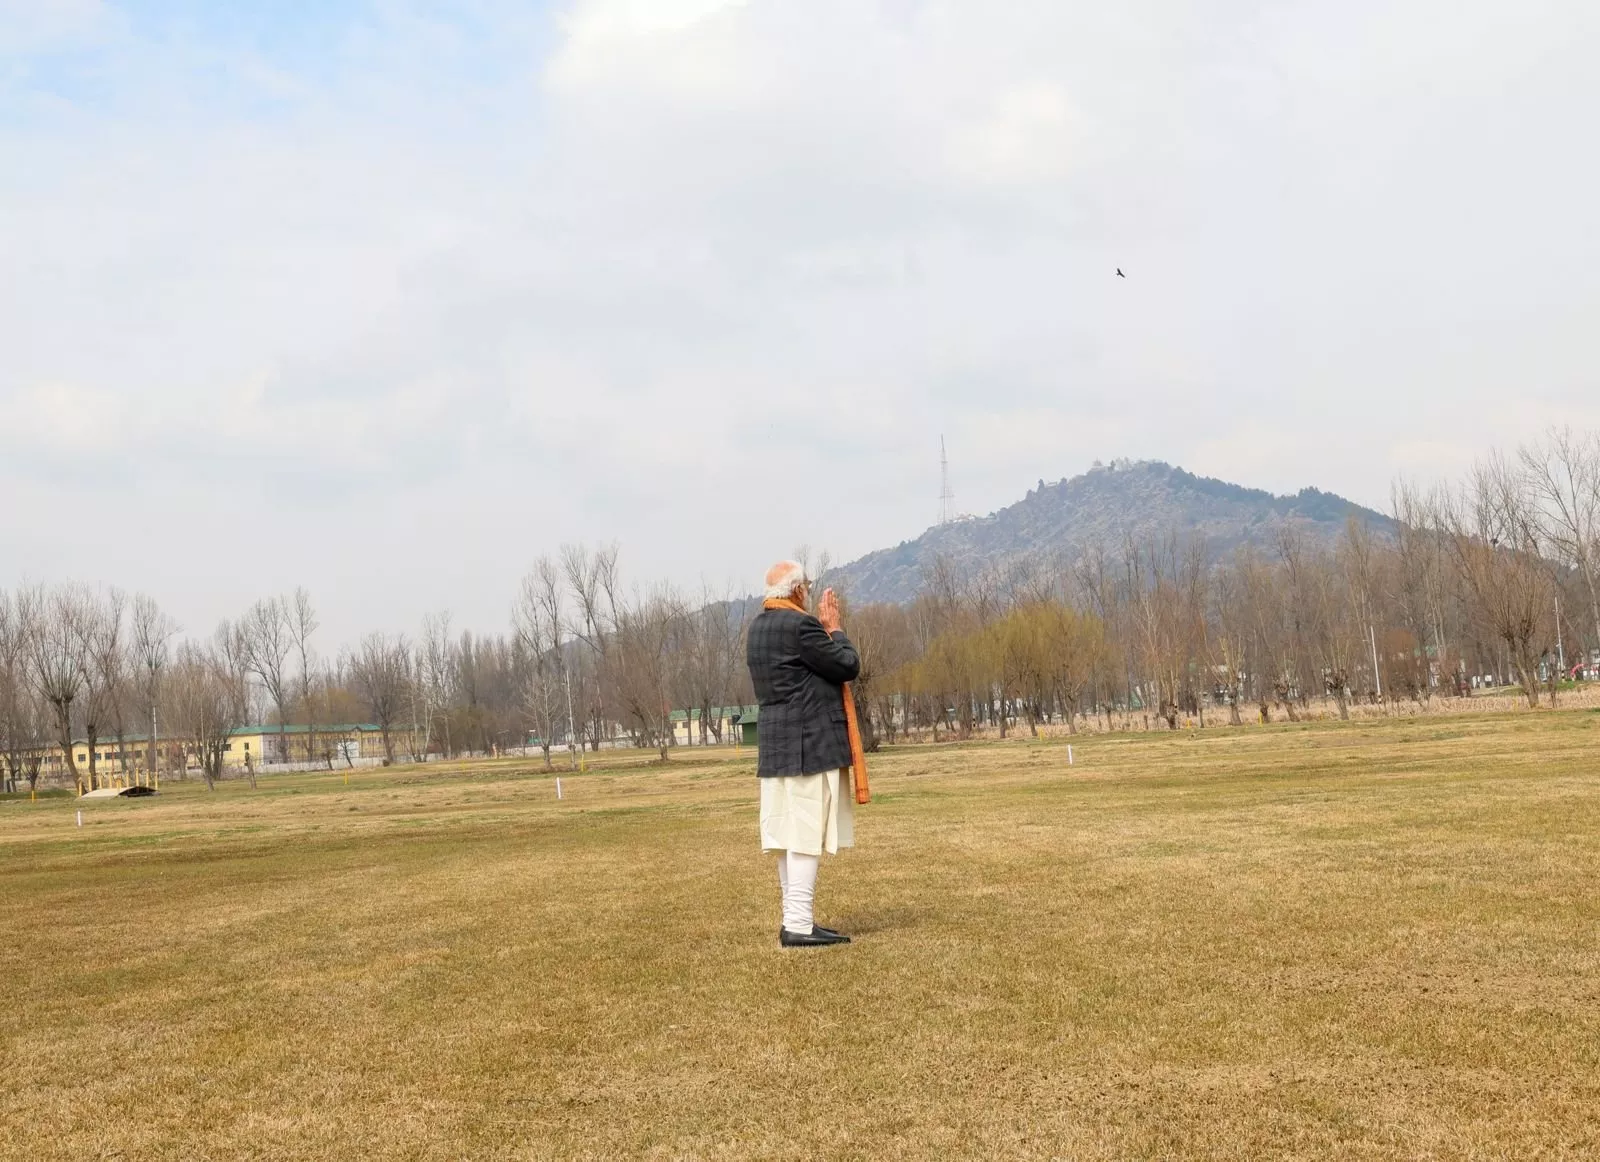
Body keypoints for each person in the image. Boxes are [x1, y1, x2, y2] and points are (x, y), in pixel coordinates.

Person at [746, 560, 861, 947]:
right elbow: (847, 665)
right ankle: (797, 924)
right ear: (796, 590)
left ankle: (795, 919)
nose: (808, 592)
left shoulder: (757, 628)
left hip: (776, 746)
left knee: (787, 834)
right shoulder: (801, 627)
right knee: (805, 834)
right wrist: (835, 629)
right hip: (809, 745)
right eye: (806, 586)